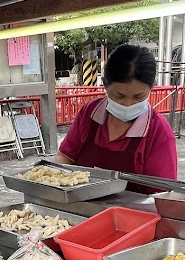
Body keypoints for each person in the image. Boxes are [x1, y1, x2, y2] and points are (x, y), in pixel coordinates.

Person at [54, 44, 178, 184]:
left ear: (151, 88)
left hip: (131, 207)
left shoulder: (159, 132)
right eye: (119, 95)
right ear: (105, 84)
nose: (127, 104)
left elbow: (163, 193)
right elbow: (65, 157)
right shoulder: (90, 113)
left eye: (138, 97)